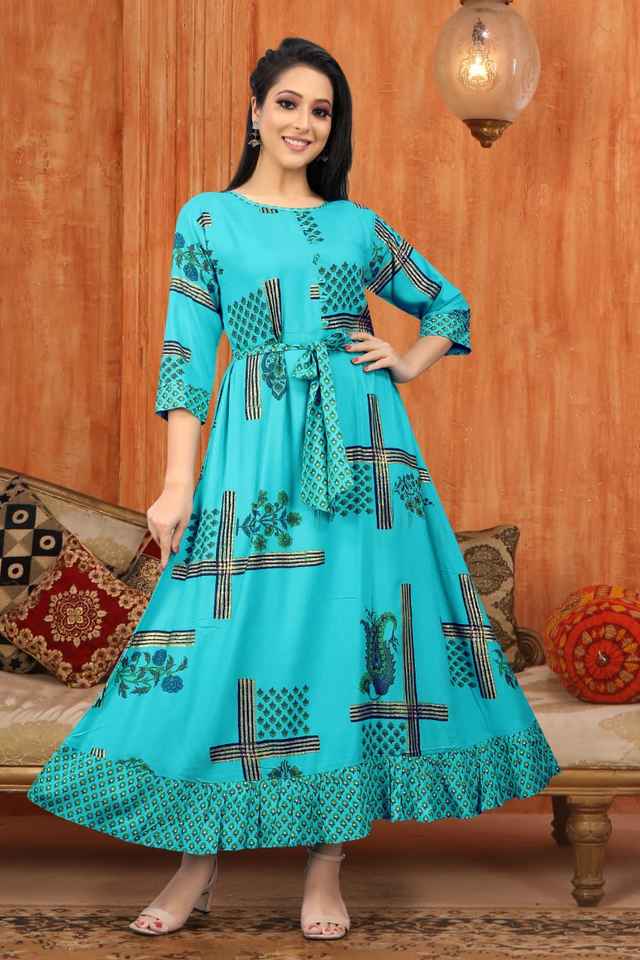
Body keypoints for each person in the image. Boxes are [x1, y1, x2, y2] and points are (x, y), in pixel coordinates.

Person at [27, 35, 561, 941]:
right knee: (228, 639)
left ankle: (327, 866)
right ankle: (196, 862)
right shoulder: (208, 220)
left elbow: (448, 304)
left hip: (365, 455)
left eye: (321, 110)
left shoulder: (356, 226)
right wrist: (176, 484)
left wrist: (408, 361)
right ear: (255, 111)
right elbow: (186, 357)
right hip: (254, 450)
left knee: (350, 637)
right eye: (288, 103)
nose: (304, 123)